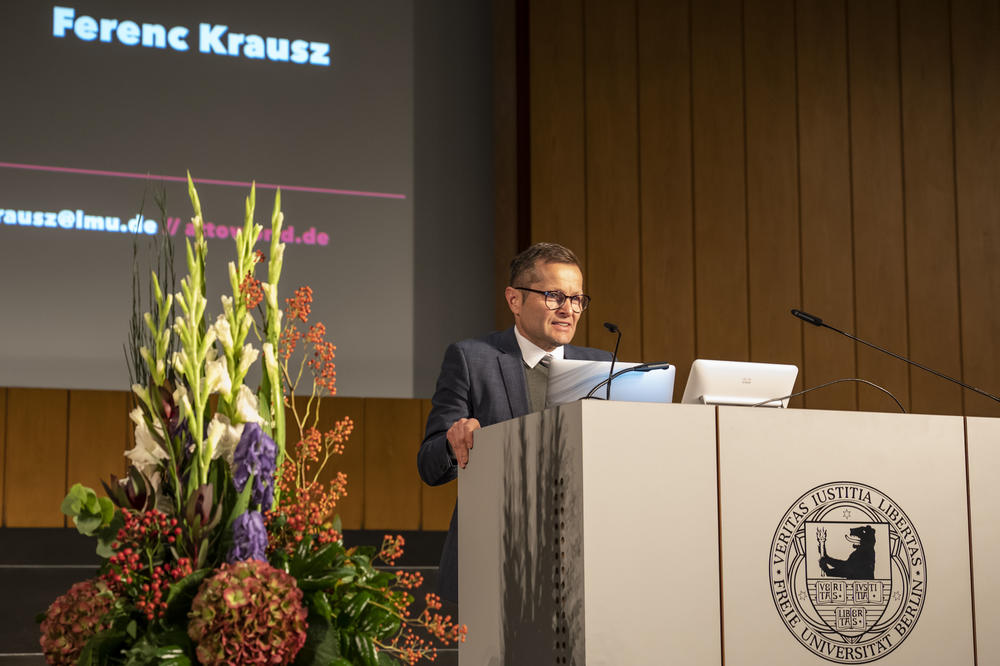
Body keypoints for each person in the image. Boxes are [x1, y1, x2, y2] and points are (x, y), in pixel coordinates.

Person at [417, 242, 611, 601]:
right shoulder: (473, 359)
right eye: (554, 296)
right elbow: (430, 464)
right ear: (514, 300)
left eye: (577, 299)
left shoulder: (603, 367)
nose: (568, 310)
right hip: (495, 557)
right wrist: (452, 440)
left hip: (585, 557)